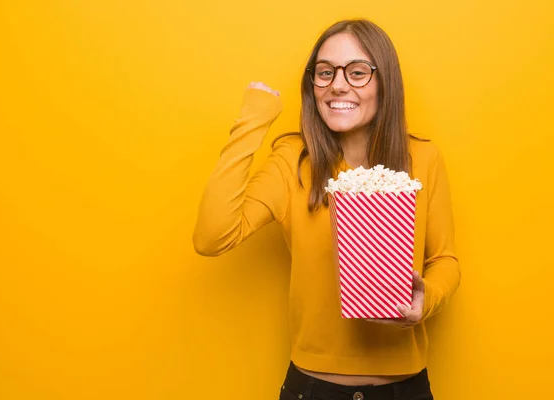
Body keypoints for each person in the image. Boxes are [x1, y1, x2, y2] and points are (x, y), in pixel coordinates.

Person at [193, 18, 460, 400]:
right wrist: (253, 120)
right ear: (312, 85)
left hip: (406, 388)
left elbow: (446, 259)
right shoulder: (293, 161)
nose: (337, 84)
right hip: (311, 388)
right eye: (325, 72)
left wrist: (426, 298)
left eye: (357, 72)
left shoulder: (424, 159)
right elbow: (211, 236)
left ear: (385, 82)